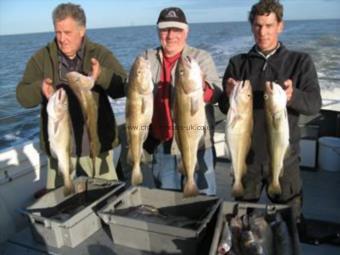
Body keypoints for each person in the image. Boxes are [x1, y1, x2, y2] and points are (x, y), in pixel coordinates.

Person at [219, 0, 321, 223]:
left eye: (269, 25)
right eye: (257, 26)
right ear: (251, 26)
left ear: (280, 26)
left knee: (289, 224)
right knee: (242, 223)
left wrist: (293, 96)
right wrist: (227, 96)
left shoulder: (300, 62)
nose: (262, 32)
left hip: (285, 160)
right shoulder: (237, 63)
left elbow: (314, 104)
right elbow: (224, 109)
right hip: (247, 161)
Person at [16, 3, 127, 190]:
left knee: (106, 199)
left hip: (97, 148)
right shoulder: (41, 58)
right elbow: (22, 97)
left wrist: (101, 75)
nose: (62, 39)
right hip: (59, 151)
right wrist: (39, 88)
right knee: (61, 204)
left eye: (67, 33)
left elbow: (123, 88)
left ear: (82, 30)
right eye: (58, 32)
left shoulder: (99, 54)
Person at [136, 7, 222, 195]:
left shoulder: (200, 58)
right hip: (162, 146)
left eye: (177, 30)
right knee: (169, 206)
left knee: (204, 203)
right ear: (158, 31)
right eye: (165, 29)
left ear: (186, 31)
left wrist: (202, 87)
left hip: (198, 145)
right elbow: (133, 92)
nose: (171, 35)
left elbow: (217, 94)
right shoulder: (146, 58)